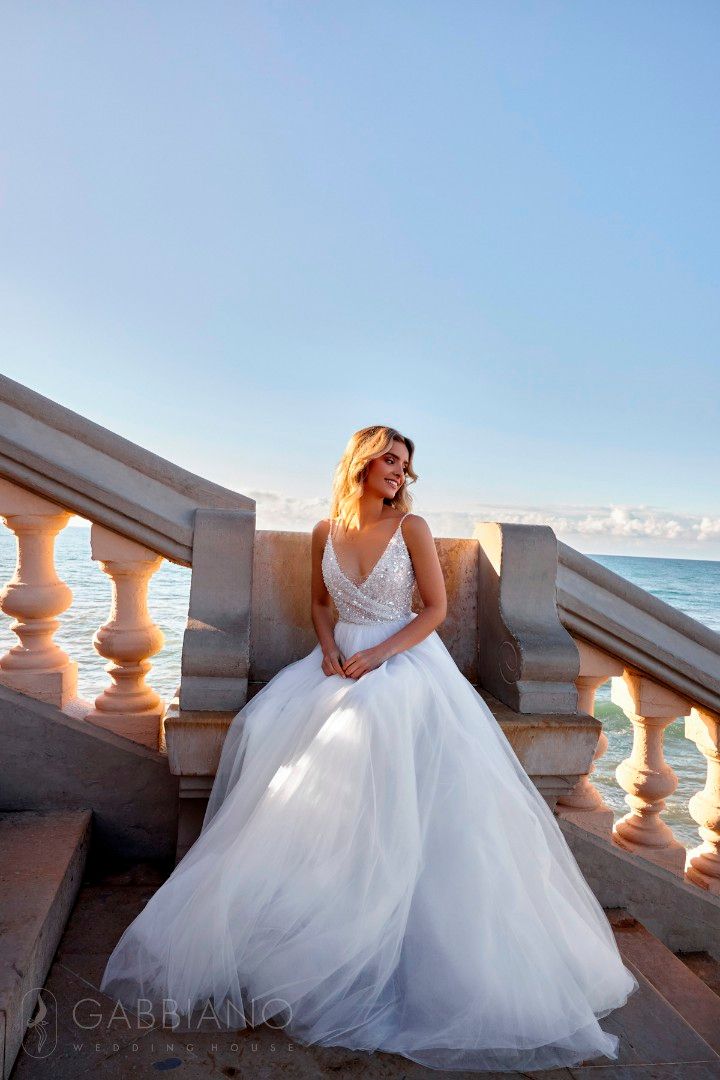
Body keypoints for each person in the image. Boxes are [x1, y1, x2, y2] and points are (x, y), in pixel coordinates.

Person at [100, 424, 640, 1072]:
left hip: (404, 666)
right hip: (338, 663)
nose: (399, 472)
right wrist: (329, 649)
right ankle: (310, 930)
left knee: (367, 732)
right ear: (362, 459)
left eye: (406, 465)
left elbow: (435, 610)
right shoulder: (324, 531)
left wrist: (379, 657)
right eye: (390, 459)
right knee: (272, 737)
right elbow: (321, 602)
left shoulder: (411, 528)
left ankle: (392, 939)